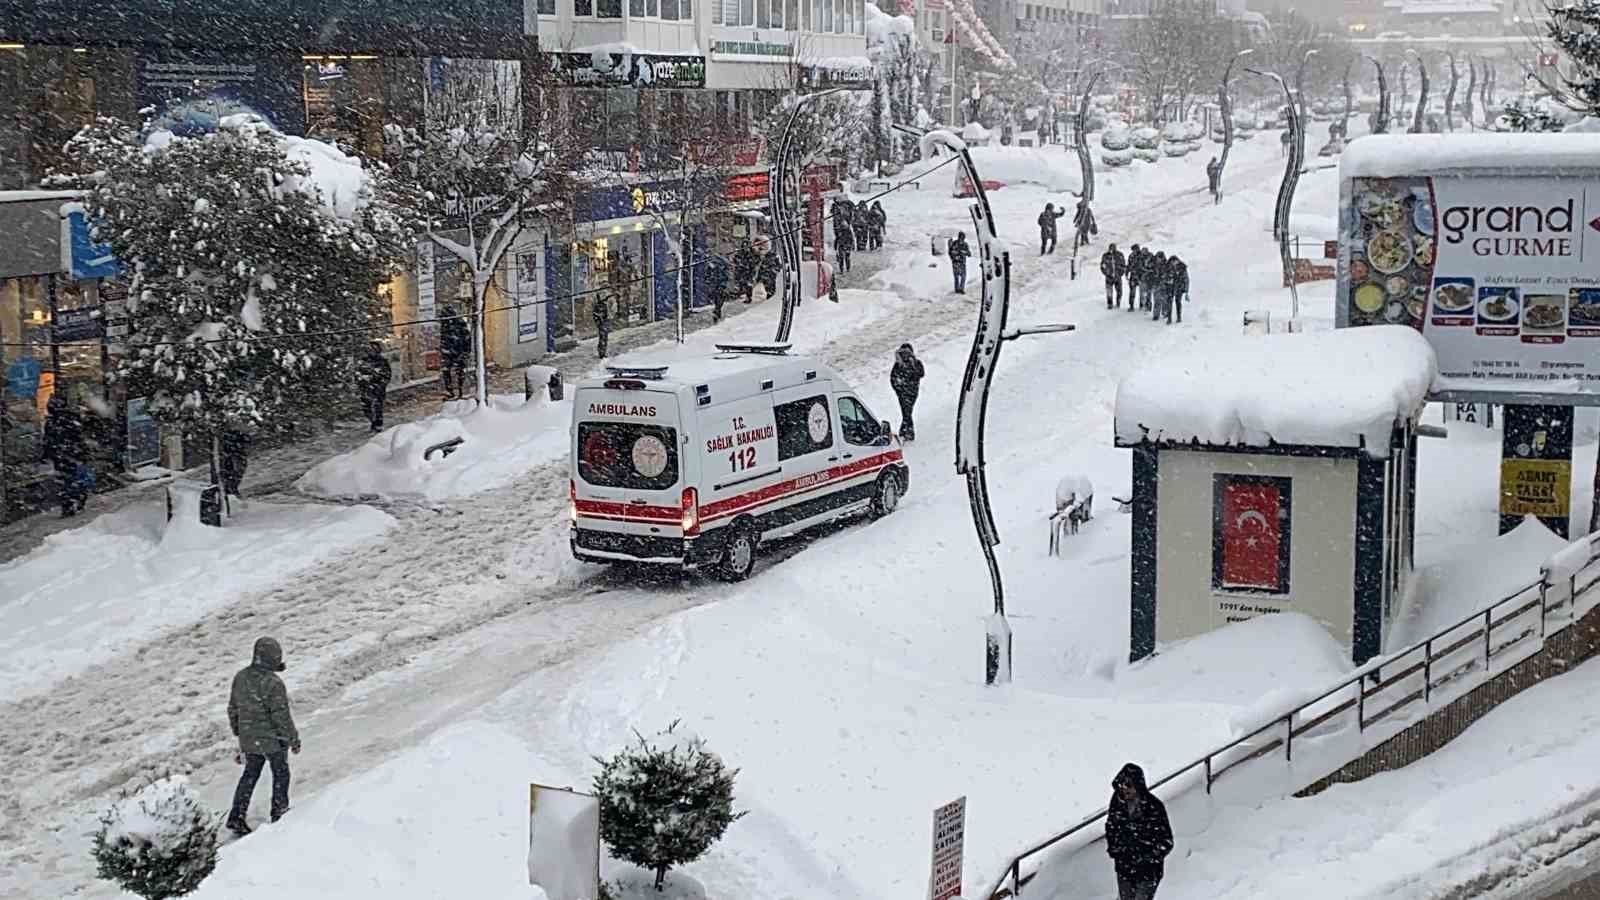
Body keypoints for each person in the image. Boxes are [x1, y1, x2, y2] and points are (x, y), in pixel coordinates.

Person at [227, 636, 301, 836]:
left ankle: (236, 816)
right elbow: (281, 716)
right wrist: (292, 739)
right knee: (281, 773)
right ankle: (279, 812)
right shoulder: (273, 683)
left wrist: (239, 731)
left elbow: (233, 708)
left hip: (249, 738)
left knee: (250, 775)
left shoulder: (241, 677)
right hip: (272, 740)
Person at [1105, 763, 1173, 900]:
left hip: (1147, 872)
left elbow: (1166, 841)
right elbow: (1111, 826)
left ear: (1138, 785)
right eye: (1122, 785)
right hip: (1125, 868)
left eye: (1129, 785)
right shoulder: (1117, 803)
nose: (1125, 789)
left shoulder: (1154, 807)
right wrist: (1115, 849)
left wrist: (1150, 857)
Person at [42, 395, 87, 517]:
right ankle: (76, 498)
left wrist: (46, 455)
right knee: (72, 478)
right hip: (71, 453)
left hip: (62, 454)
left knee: (65, 479)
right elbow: (79, 436)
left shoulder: (52, 422)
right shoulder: (71, 418)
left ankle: (69, 503)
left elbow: (48, 440)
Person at [890, 343, 925, 441]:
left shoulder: (911, 363)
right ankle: (907, 432)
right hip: (907, 393)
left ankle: (905, 432)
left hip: (908, 393)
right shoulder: (900, 365)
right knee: (907, 412)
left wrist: (899, 388)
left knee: (907, 412)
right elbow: (893, 379)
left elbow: (921, 373)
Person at [358, 341, 391, 433]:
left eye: (374, 348)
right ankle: (373, 421)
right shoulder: (364, 361)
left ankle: (378, 424)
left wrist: (380, 384)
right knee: (366, 407)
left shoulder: (382, 361)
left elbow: (387, 375)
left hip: (378, 389)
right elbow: (358, 374)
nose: (372, 350)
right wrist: (362, 382)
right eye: (370, 348)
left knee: (378, 407)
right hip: (366, 388)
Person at [439, 304, 470, 400]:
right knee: (448, 371)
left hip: (457, 351)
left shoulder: (458, 324)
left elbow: (466, 338)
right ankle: (452, 391)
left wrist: (465, 352)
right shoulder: (446, 325)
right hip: (450, 352)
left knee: (458, 371)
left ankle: (459, 391)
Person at [219, 427, 249, 499]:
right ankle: (230, 489)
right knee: (233, 473)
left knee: (236, 473)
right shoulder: (229, 435)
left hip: (236, 456)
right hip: (232, 457)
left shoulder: (240, 436)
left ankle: (231, 489)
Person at [705, 253, 730, 323]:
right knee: (719, 298)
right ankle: (717, 310)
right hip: (718, 284)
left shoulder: (714, 264)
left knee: (718, 298)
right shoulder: (722, 264)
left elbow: (708, 275)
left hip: (716, 284)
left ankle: (717, 310)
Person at [1100, 243, 1126, 309]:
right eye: (1111, 248)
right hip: (1109, 277)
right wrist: (1106, 273)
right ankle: (1110, 303)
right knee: (1109, 291)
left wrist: (1121, 273)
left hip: (1118, 276)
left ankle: (1118, 302)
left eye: (1113, 247)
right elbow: (1102, 266)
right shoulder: (1105, 255)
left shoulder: (1120, 255)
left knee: (1119, 291)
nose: (1112, 249)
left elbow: (1123, 264)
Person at [734, 238, 758, 304]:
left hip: (749, 271)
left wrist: (751, 267)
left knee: (748, 285)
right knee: (741, 283)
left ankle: (748, 297)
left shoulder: (751, 253)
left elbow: (755, 261)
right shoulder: (740, 252)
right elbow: (735, 259)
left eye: (746, 245)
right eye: (744, 245)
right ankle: (740, 293)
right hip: (741, 270)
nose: (745, 247)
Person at [1168, 255, 1189, 324]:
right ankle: (1169, 318)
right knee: (1169, 302)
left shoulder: (1182, 267)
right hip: (1170, 287)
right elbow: (1165, 276)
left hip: (1179, 287)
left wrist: (1186, 291)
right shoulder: (1168, 267)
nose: (1173, 263)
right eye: (1172, 262)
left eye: (1174, 261)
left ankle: (1179, 317)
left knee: (1178, 302)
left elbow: (1186, 279)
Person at [834, 208, 855, 274]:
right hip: (844, 245)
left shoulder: (843, 231)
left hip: (844, 245)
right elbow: (837, 239)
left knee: (844, 258)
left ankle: (844, 269)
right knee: (844, 258)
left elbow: (837, 239)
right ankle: (844, 269)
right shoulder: (846, 231)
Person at [1147, 251, 1167, 320]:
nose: (1159, 259)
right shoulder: (1153, 265)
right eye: (1158, 258)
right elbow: (1149, 272)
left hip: (1164, 285)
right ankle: (1156, 315)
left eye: (1160, 258)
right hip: (1156, 284)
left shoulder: (1166, 265)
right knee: (1157, 300)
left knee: (1164, 300)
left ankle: (1165, 312)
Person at [593, 290, 612, 359]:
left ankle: (602, 352)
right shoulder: (600, 306)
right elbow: (598, 316)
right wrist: (601, 322)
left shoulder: (602, 305)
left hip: (603, 323)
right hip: (602, 324)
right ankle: (602, 353)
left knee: (604, 338)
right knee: (603, 338)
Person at [1126, 245, 1144, 311]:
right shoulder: (1131, 256)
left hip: (1141, 276)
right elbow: (1128, 265)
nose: (1134, 251)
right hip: (1133, 276)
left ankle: (1142, 305)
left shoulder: (1142, 256)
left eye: (1135, 249)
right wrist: (1126, 273)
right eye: (1133, 250)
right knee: (1132, 292)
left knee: (1142, 292)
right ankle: (1131, 306)